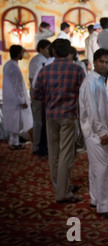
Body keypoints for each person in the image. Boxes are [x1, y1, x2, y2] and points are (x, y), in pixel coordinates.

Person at [33, 38, 85, 204]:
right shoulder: (76, 70)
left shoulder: (45, 70)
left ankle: (61, 187)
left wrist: (51, 99)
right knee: (66, 154)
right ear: (69, 51)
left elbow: (37, 95)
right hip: (69, 115)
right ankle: (63, 193)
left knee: (54, 154)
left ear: (53, 51)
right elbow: (83, 94)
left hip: (51, 116)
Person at [79, 48, 108, 219]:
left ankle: (95, 199)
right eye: (101, 61)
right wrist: (102, 131)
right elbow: (91, 110)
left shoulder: (100, 80)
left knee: (96, 167)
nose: (104, 65)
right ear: (94, 62)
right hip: (95, 132)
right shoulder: (90, 82)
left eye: (107, 62)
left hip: (102, 130)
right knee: (102, 169)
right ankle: (104, 207)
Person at [3, 45, 33, 150]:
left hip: (11, 98)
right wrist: (22, 100)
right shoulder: (14, 67)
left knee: (14, 121)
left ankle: (14, 141)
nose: (22, 55)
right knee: (16, 121)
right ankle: (14, 143)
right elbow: (17, 86)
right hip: (16, 99)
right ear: (18, 53)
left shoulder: (8, 64)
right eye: (21, 52)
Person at [28, 39, 51, 156]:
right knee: (38, 121)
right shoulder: (40, 61)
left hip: (39, 93)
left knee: (40, 121)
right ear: (41, 49)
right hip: (38, 93)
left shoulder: (40, 59)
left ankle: (39, 145)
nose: (49, 51)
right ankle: (36, 146)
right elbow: (33, 80)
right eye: (47, 48)